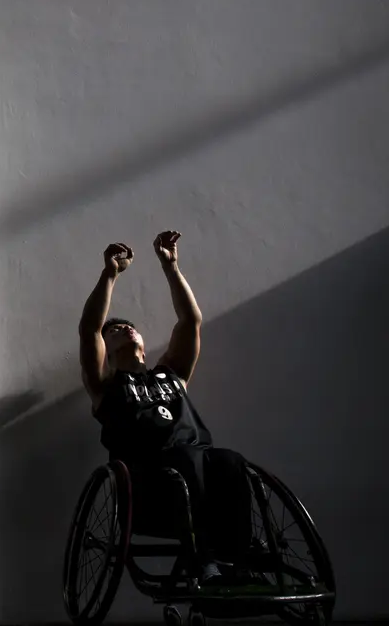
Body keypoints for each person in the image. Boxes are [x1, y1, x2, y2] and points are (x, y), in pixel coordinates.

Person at [77, 231, 253, 586]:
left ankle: (237, 563)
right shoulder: (106, 388)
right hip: (150, 484)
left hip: (198, 464)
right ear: (107, 352)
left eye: (130, 327)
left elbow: (190, 322)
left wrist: (171, 267)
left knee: (231, 460)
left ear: (143, 343)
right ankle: (203, 563)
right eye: (116, 331)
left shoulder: (171, 374)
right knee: (185, 462)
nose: (124, 328)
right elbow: (89, 328)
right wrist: (109, 274)